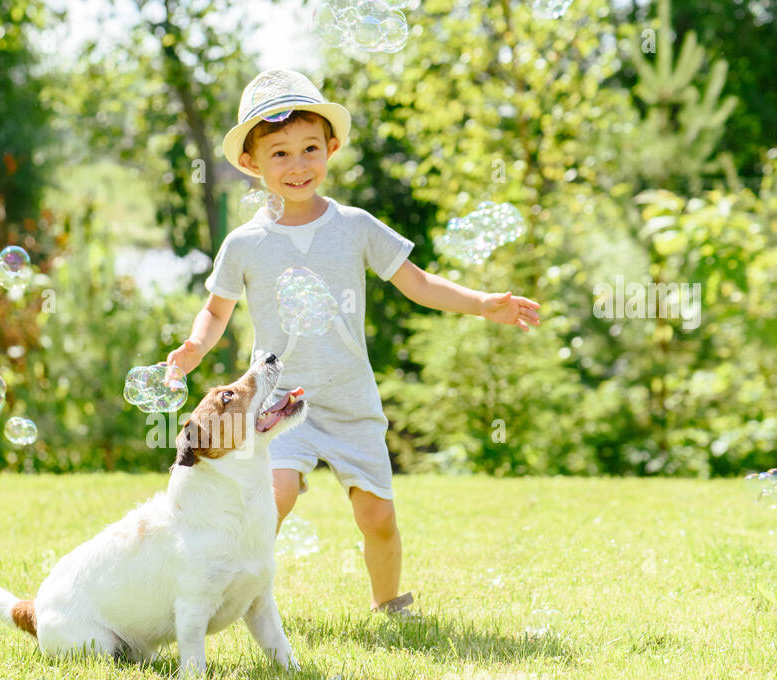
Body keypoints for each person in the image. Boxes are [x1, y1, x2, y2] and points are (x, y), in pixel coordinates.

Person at [166, 70, 541, 616]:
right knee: (275, 500)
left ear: (332, 147)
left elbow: (419, 283)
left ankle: (389, 603)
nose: (298, 166)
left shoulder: (356, 226)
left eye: (310, 149)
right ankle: (236, 600)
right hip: (277, 403)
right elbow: (216, 309)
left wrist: (483, 302)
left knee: (377, 517)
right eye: (279, 154)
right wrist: (196, 347)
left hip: (349, 398)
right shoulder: (244, 243)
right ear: (251, 164)